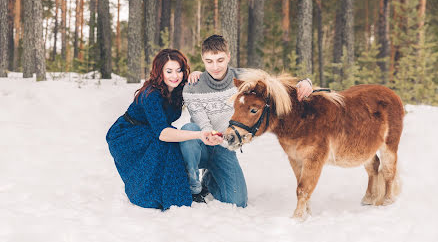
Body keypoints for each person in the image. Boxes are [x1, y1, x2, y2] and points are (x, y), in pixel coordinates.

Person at [180, 35, 313, 207]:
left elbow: (275, 84)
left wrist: (305, 83)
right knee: (189, 128)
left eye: (220, 60)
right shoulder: (193, 86)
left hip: (224, 147)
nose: (215, 66)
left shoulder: (244, 78)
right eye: (209, 61)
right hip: (200, 144)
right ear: (202, 60)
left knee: (238, 202)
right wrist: (208, 134)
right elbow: (202, 122)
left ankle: (210, 179)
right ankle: (193, 187)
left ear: (228, 56)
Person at [106, 49, 223, 210]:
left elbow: (207, 86)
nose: (175, 76)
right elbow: (162, 133)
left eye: (179, 70)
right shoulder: (151, 94)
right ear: (159, 72)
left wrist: (198, 74)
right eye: (169, 71)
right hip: (128, 133)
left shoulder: (178, 88)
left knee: (171, 144)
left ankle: (182, 187)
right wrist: (197, 135)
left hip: (151, 130)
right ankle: (155, 193)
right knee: (168, 146)